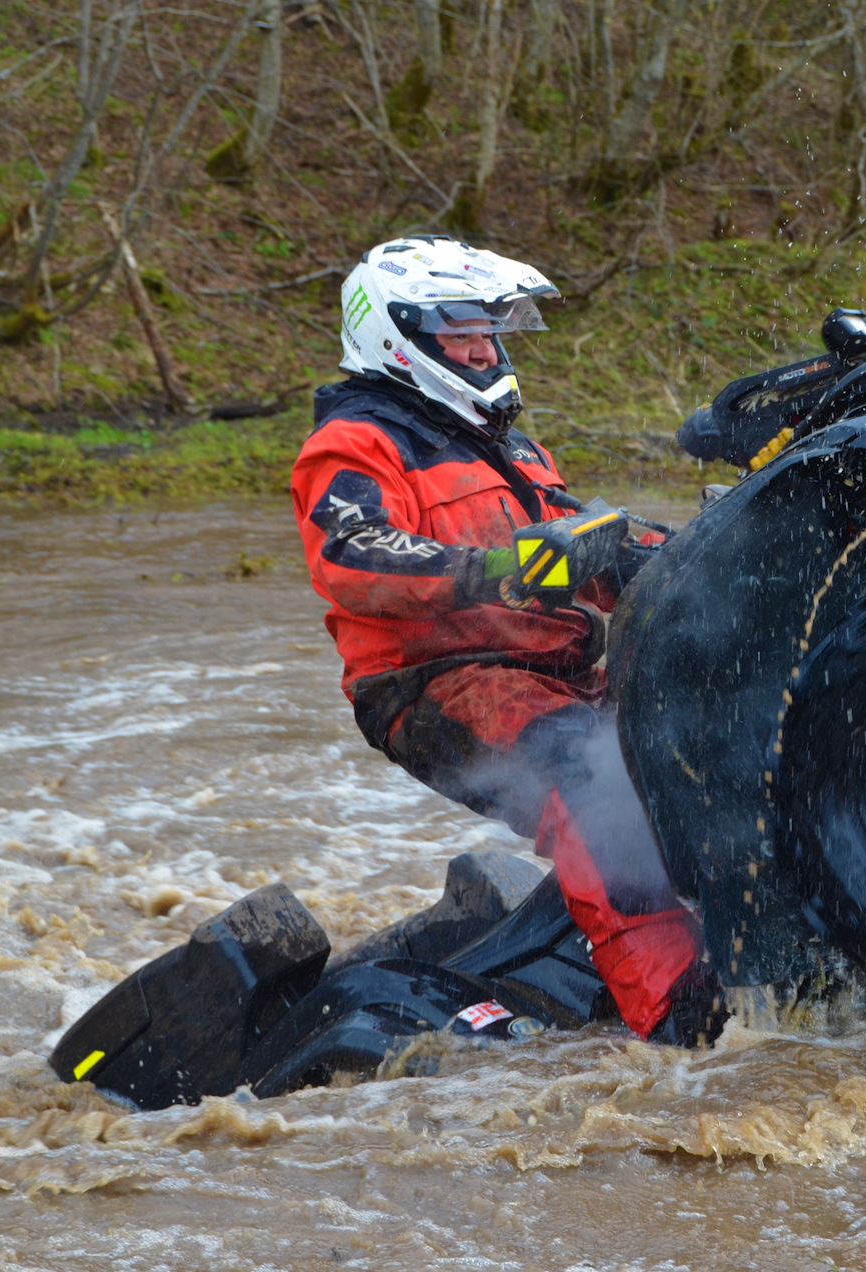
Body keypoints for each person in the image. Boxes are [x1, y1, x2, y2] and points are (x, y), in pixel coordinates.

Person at [290, 235, 720, 1045]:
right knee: (592, 787)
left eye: (491, 330)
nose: (485, 348)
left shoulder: (511, 446)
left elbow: (588, 550)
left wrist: (713, 555)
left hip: (562, 667)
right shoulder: (356, 441)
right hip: (437, 681)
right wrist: (498, 569)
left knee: (706, 730)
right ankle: (684, 1029)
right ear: (399, 333)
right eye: (461, 332)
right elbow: (352, 555)